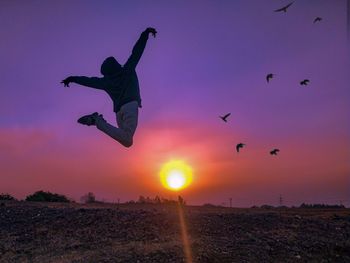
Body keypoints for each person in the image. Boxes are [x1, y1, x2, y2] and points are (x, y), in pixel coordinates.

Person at [61, 27, 157, 147]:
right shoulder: (127, 69)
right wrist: (145, 34)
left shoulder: (105, 82)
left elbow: (88, 81)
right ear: (117, 65)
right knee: (127, 140)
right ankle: (97, 120)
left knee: (125, 139)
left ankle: (97, 120)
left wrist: (72, 79)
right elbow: (137, 52)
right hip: (130, 107)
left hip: (118, 113)